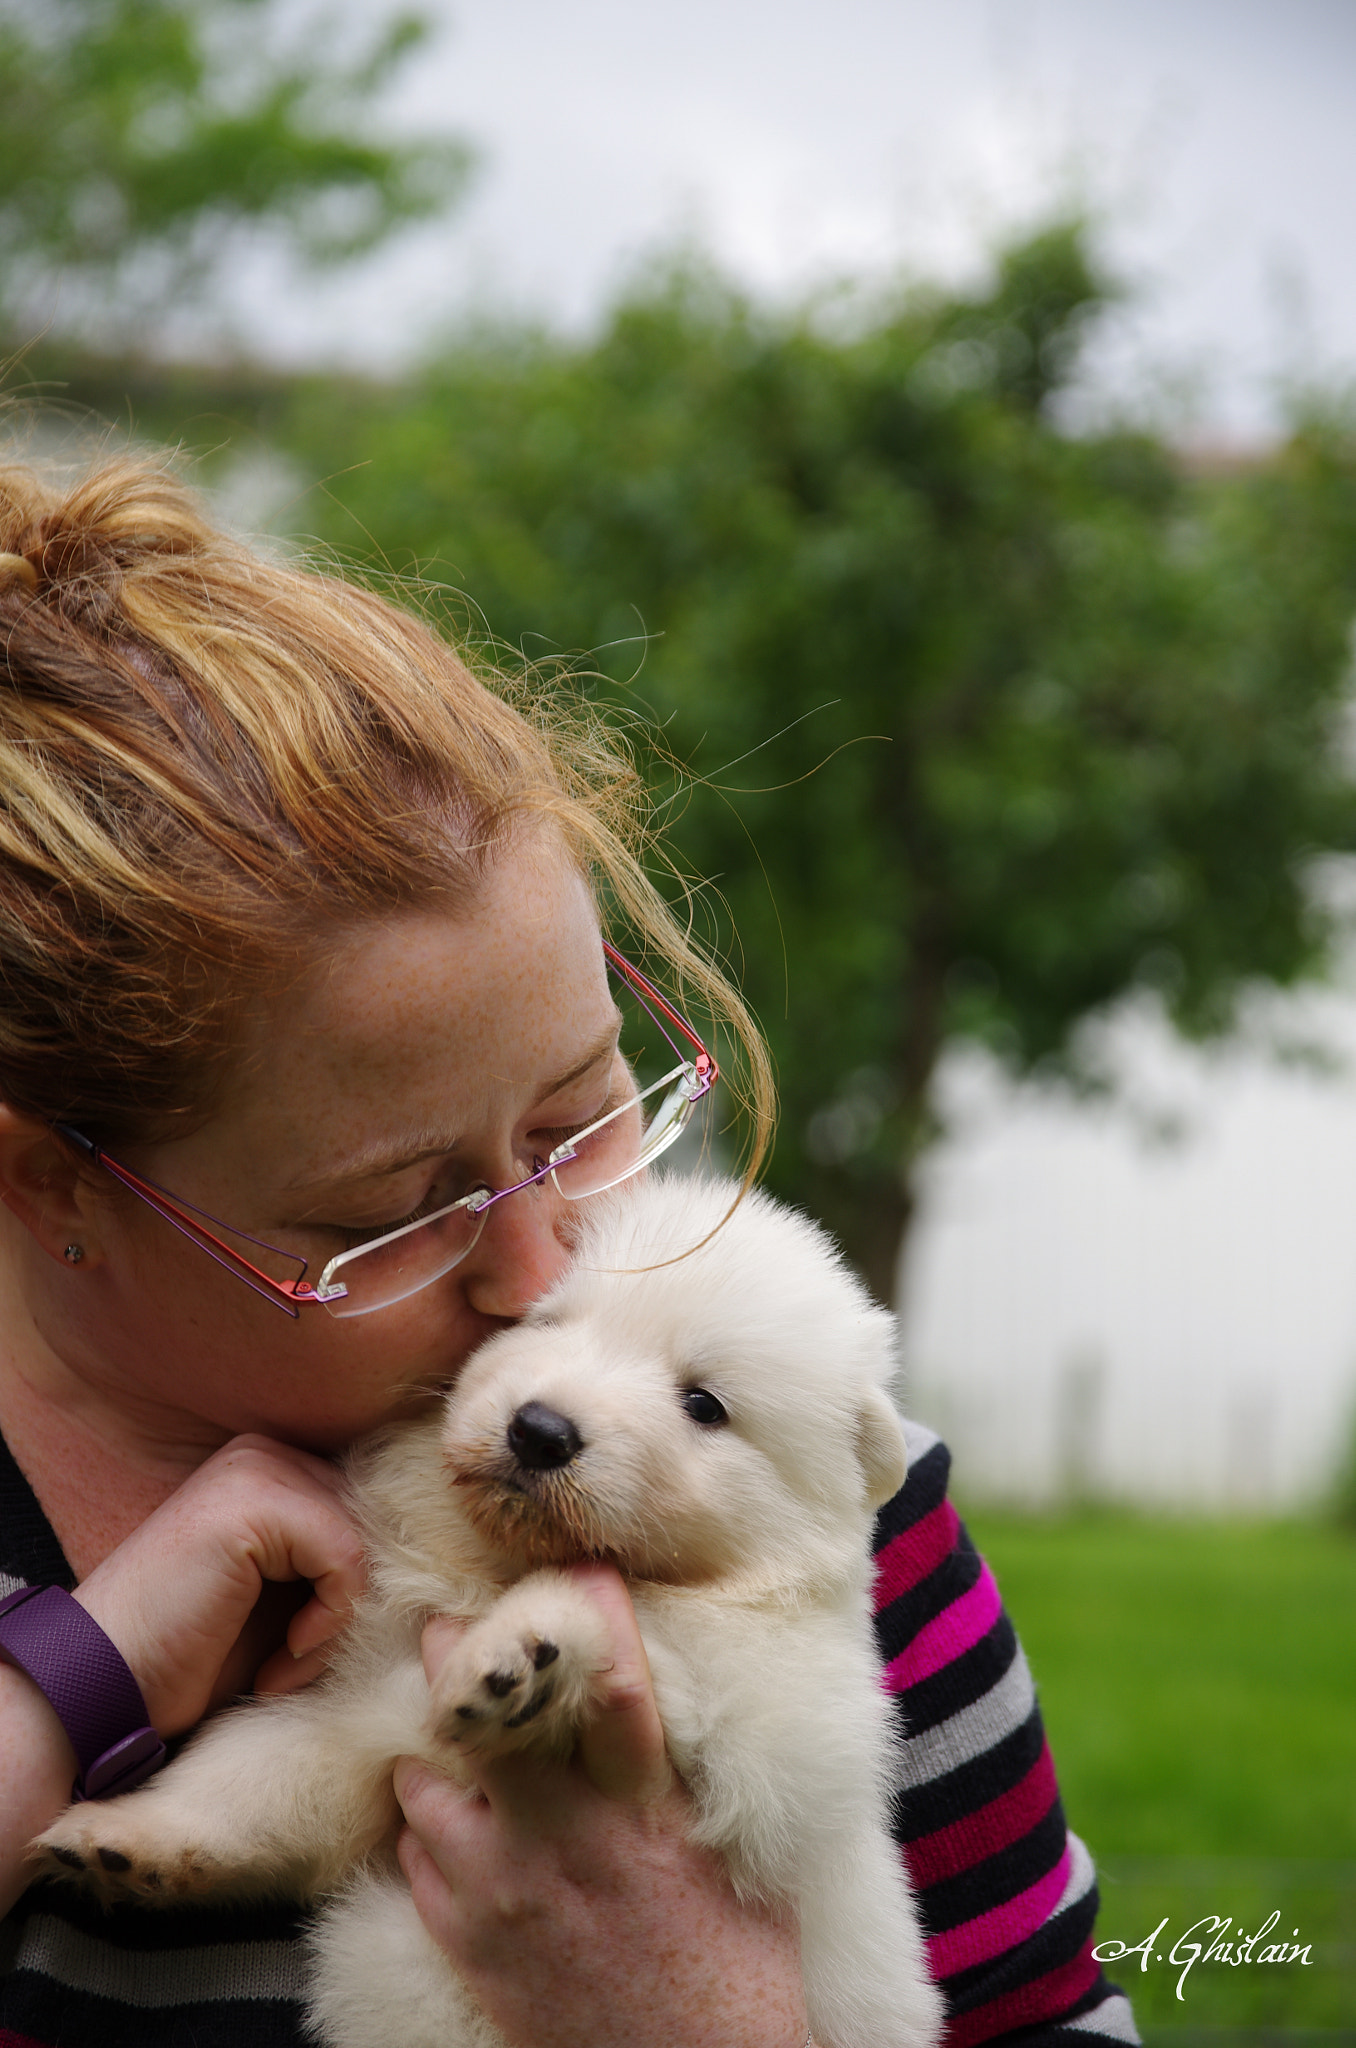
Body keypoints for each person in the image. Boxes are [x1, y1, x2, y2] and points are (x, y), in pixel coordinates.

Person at [0, 451, 1137, 2047]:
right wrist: (71, 1686)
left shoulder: (826, 1528)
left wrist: (714, 2015)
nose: (541, 1275)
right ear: (54, 1187)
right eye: (386, 1212)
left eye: (582, 1114)